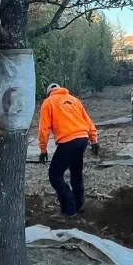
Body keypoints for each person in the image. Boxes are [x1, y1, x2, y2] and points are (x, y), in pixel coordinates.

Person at [37, 83, 99, 217]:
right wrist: (94, 140)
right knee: (76, 174)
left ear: (48, 93)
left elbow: (44, 128)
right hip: (83, 139)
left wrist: (43, 149)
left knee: (55, 175)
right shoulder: (74, 100)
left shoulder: (48, 102)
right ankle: (79, 204)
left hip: (68, 141)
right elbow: (88, 121)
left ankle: (69, 209)